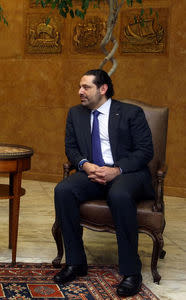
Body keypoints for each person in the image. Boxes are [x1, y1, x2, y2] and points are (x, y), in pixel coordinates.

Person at [53, 69, 154, 297]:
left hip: (127, 173)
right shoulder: (75, 114)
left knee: (119, 195)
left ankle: (131, 272)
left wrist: (116, 170)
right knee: (63, 190)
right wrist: (85, 165)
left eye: (85, 87)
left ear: (103, 89)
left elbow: (145, 151)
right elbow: (71, 148)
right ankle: (76, 262)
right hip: (93, 171)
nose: (80, 91)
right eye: (79, 87)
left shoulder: (130, 113)